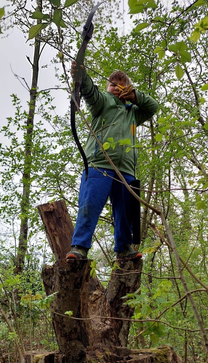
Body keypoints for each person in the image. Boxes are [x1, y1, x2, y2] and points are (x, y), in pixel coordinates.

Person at [66, 62, 159, 261]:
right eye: (112, 84)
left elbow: (153, 106)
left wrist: (135, 97)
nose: (115, 88)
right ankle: (79, 247)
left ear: (128, 89)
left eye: (121, 85)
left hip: (126, 170)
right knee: (89, 204)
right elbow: (90, 92)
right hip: (99, 165)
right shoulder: (103, 102)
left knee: (126, 212)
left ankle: (125, 249)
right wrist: (82, 77)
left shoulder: (134, 111)